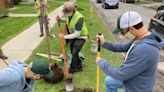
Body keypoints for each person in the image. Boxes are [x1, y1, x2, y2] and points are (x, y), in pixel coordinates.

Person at [96, 11, 164, 92]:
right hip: (133, 77)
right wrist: (104, 43)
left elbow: (120, 74)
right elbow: (124, 47)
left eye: (123, 32)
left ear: (131, 28)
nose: (122, 34)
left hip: (137, 88)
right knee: (109, 81)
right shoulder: (142, 37)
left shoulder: (145, 49)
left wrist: (102, 63)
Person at [56, 2, 88, 74]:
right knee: (73, 52)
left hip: (81, 36)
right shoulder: (69, 15)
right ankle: (79, 66)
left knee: (74, 52)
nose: (66, 15)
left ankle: (72, 69)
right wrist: (60, 20)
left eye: (67, 13)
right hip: (73, 35)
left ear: (72, 11)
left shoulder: (80, 18)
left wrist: (64, 36)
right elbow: (67, 20)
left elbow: (77, 34)